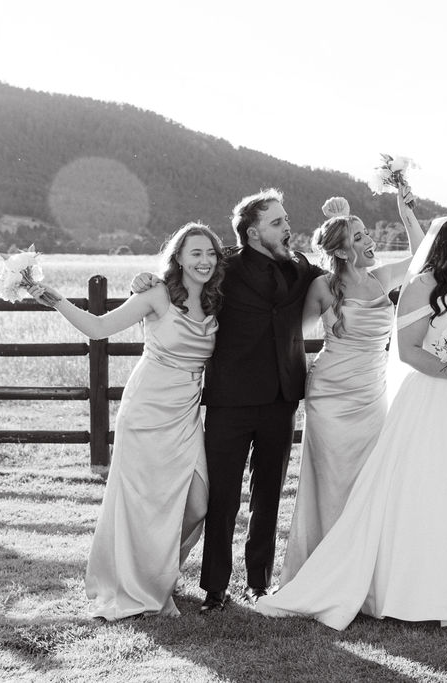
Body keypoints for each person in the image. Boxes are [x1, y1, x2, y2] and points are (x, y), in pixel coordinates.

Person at [254, 218, 447, 629]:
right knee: (433, 487)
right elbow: (410, 350)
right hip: (436, 395)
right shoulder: (421, 285)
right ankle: (424, 586)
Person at [133, 189, 324, 612]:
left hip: (282, 396)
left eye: (286, 219)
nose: (287, 226)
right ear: (253, 231)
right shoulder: (225, 268)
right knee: (222, 497)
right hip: (230, 399)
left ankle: (258, 583)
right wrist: (143, 280)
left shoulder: (304, 267)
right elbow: (180, 277)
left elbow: (341, 277)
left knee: (269, 494)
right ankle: (215, 589)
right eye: (277, 222)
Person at [28, 223, 225, 620]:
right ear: (179, 258)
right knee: (141, 502)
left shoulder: (220, 300)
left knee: (198, 504)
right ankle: (141, 586)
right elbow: (99, 328)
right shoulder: (156, 294)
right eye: (195, 253)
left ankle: (156, 575)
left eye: (211, 254)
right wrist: (56, 300)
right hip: (146, 409)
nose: (204, 261)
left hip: (186, 413)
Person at [280, 186, 424, 582]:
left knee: (368, 478)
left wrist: (405, 211)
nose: (370, 240)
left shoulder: (381, 279)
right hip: (330, 395)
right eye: (359, 237)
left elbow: (421, 256)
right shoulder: (323, 288)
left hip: (371, 396)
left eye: (366, 234)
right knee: (331, 480)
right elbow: (292, 333)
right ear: (342, 251)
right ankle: (323, 566)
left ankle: (362, 564)